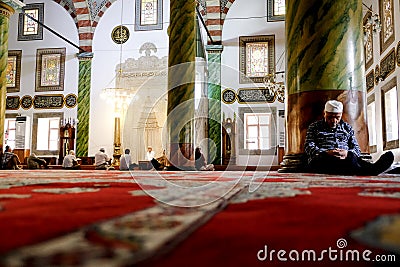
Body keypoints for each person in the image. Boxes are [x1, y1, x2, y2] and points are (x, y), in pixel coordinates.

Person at [304, 100, 394, 176]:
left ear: (341, 115)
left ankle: (368, 169)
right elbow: (308, 146)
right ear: (324, 113)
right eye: (330, 117)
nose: (334, 121)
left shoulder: (347, 128)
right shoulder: (314, 127)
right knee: (321, 161)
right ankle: (369, 170)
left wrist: (346, 153)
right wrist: (326, 153)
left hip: (346, 159)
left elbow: (356, 149)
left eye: (337, 117)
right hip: (324, 159)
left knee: (352, 158)